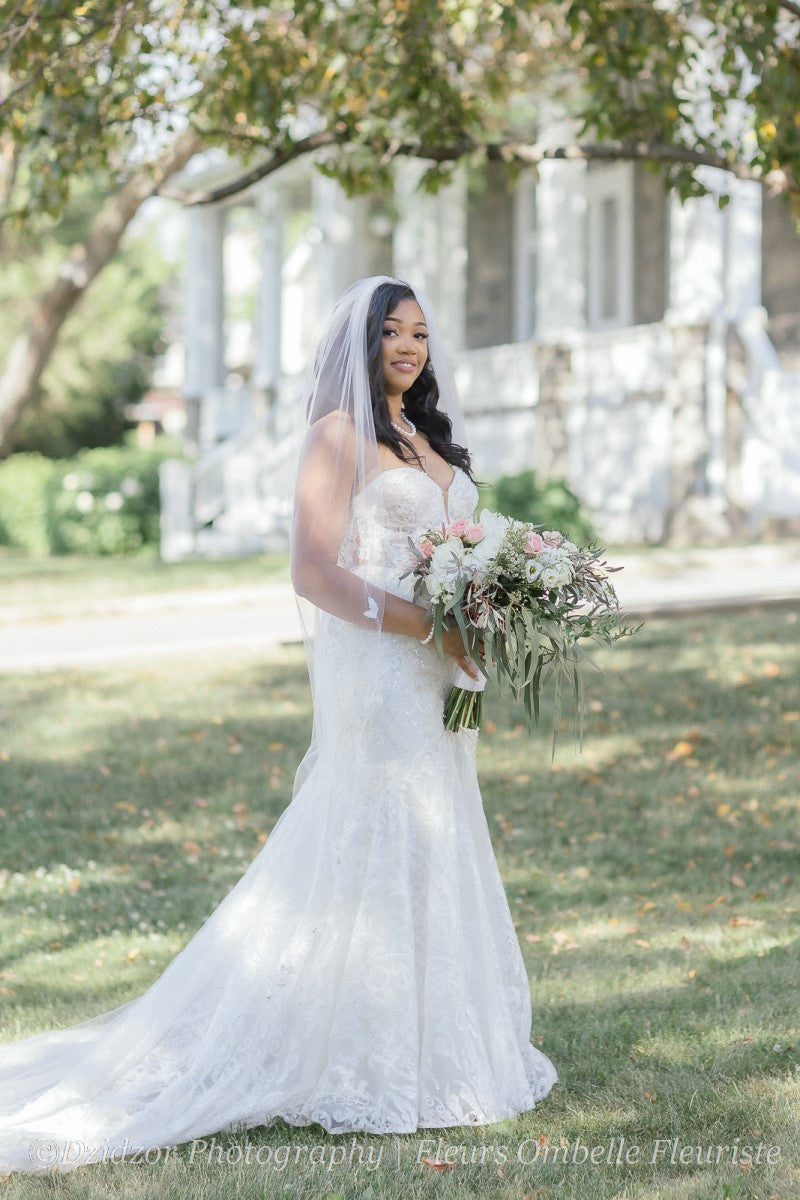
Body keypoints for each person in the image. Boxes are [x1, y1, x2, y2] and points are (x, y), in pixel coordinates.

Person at [0, 275, 556, 1175]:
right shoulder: (338, 435)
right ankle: (353, 1048)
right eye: (392, 334)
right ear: (360, 344)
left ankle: (437, 1044)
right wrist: (426, 624)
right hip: (380, 671)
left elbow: (456, 554)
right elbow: (312, 573)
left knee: (436, 832)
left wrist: (484, 611)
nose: (410, 348)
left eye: (420, 333)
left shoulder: (426, 438)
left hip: (441, 673)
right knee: (370, 832)